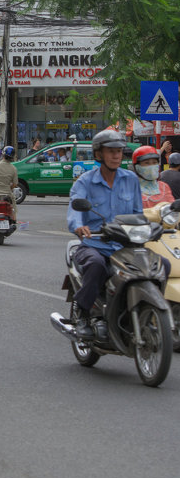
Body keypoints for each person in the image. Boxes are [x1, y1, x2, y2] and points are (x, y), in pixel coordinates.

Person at [67, 129, 170, 339]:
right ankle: (84, 313)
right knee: (95, 265)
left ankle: (146, 310)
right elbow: (75, 210)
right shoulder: (85, 181)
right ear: (99, 154)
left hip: (125, 246)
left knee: (163, 266)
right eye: (110, 151)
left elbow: (137, 214)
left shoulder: (130, 179)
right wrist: (79, 226)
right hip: (95, 245)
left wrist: (152, 227)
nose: (115, 156)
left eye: (119, 152)